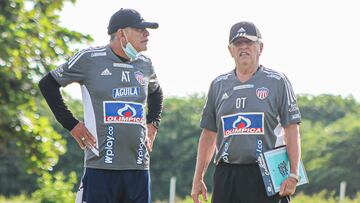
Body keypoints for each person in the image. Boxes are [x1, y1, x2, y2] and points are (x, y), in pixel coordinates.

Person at [38, 8, 163, 203]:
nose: (147, 34)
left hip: (138, 168)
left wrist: (153, 124)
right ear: (122, 33)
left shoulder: (145, 64)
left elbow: (157, 93)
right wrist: (71, 124)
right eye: (140, 29)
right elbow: (47, 84)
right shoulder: (89, 59)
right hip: (101, 168)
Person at [191, 21, 302, 203]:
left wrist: (294, 173)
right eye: (238, 43)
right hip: (227, 173)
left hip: (266, 172)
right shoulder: (218, 85)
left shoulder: (277, 82)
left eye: (249, 43)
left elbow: (292, 129)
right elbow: (209, 134)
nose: (243, 47)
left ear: (260, 47)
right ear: (230, 50)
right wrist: (198, 178)